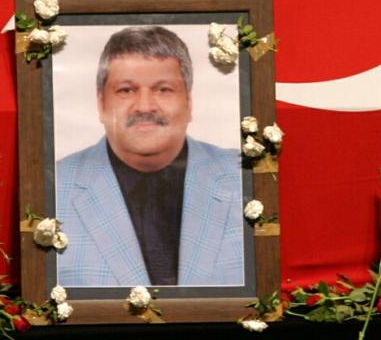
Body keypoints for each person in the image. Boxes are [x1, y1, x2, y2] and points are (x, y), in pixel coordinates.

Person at [55, 26, 243, 287]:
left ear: (189, 102)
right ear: (101, 104)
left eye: (163, 89)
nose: (144, 106)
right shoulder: (51, 190)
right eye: (126, 90)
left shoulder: (246, 178)